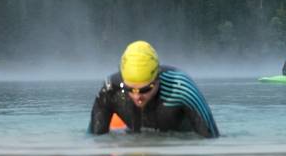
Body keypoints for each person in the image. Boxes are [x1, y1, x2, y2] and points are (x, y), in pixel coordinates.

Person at [89, 41, 219, 138]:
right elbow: (94, 140)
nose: (137, 97)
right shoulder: (111, 90)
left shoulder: (180, 86)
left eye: (145, 89)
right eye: (130, 89)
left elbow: (211, 138)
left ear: (157, 78)